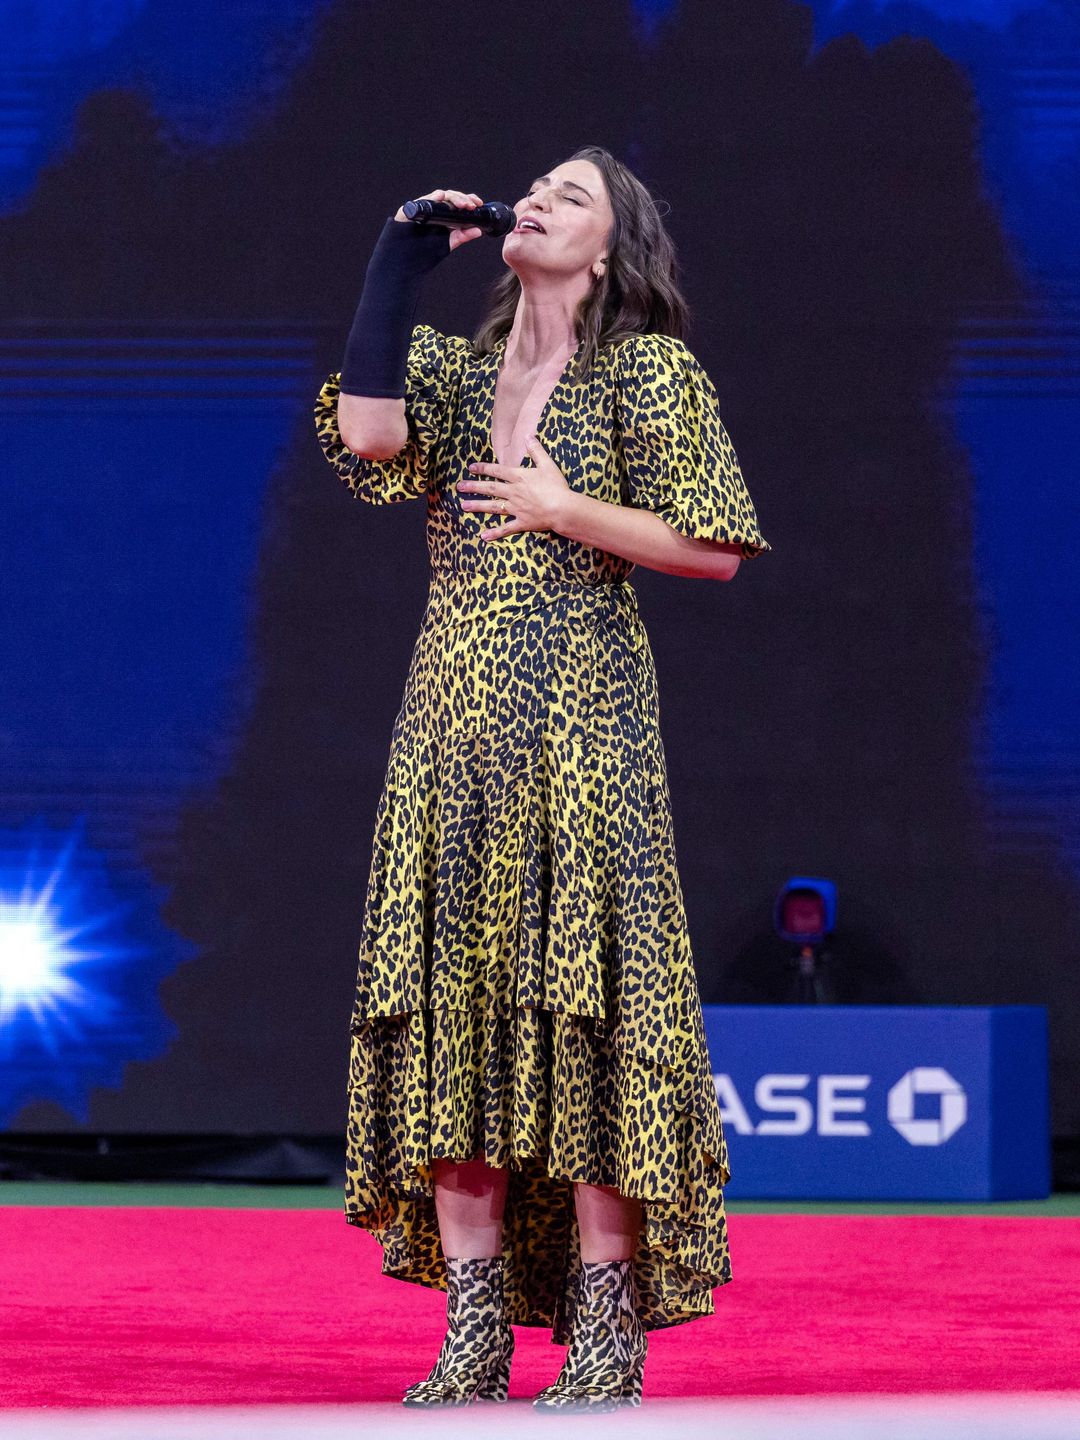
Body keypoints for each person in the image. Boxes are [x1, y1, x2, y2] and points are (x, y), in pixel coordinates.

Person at [313, 144, 771, 1412]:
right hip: (447, 737)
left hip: (585, 729)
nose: (540, 201)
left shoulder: (644, 369)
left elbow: (714, 547)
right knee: (452, 1014)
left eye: (573, 194)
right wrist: (390, 271)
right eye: (537, 188)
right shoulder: (453, 374)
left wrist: (571, 509)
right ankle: (472, 1334)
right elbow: (366, 442)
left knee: (590, 1017)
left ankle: (606, 1332)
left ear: (612, 246)